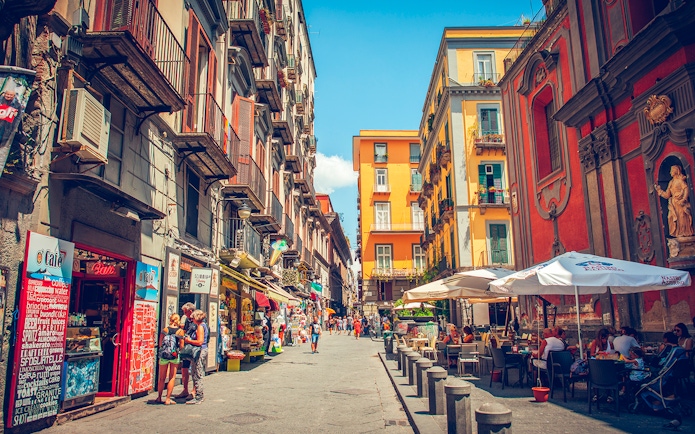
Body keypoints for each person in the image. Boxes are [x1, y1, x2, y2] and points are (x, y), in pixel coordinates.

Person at [654, 165, 694, 238]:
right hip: (673, 204)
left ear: (676, 171)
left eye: (671, 171)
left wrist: (683, 199)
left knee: (682, 218)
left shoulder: (680, 180)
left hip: (680, 203)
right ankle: (677, 233)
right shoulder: (671, 182)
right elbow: (667, 195)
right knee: (670, 217)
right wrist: (659, 190)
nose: (670, 172)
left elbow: (686, 189)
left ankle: (684, 233)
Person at [156, 313, 185, 405]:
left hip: (164, 355)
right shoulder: (180, 331)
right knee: (172, 377)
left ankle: (159, 397)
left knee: (161, 377)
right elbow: (182, 345)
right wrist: (177, 351)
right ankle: (168, 399)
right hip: (174, 355)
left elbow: (160, 344)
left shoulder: (165, 330)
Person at [175, 302, 196, 400]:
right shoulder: (187, 320)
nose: (184, 313)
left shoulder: (198, 320)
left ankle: (194, 390)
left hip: (195, 348)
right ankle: (185, 389)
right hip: (187, 348)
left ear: (190, 311)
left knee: (195, 370)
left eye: (185, 311)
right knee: (184, 368)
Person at [184, 309, 206, 405]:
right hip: (201, 350)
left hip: (199, 351)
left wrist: (189, 341)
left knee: (197, 373)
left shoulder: (200, 327)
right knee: (196, 372)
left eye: (192, 318)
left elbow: (200, 342)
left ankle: (199, 396)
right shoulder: (203, 325)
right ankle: (198, 394)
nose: (191, 320)